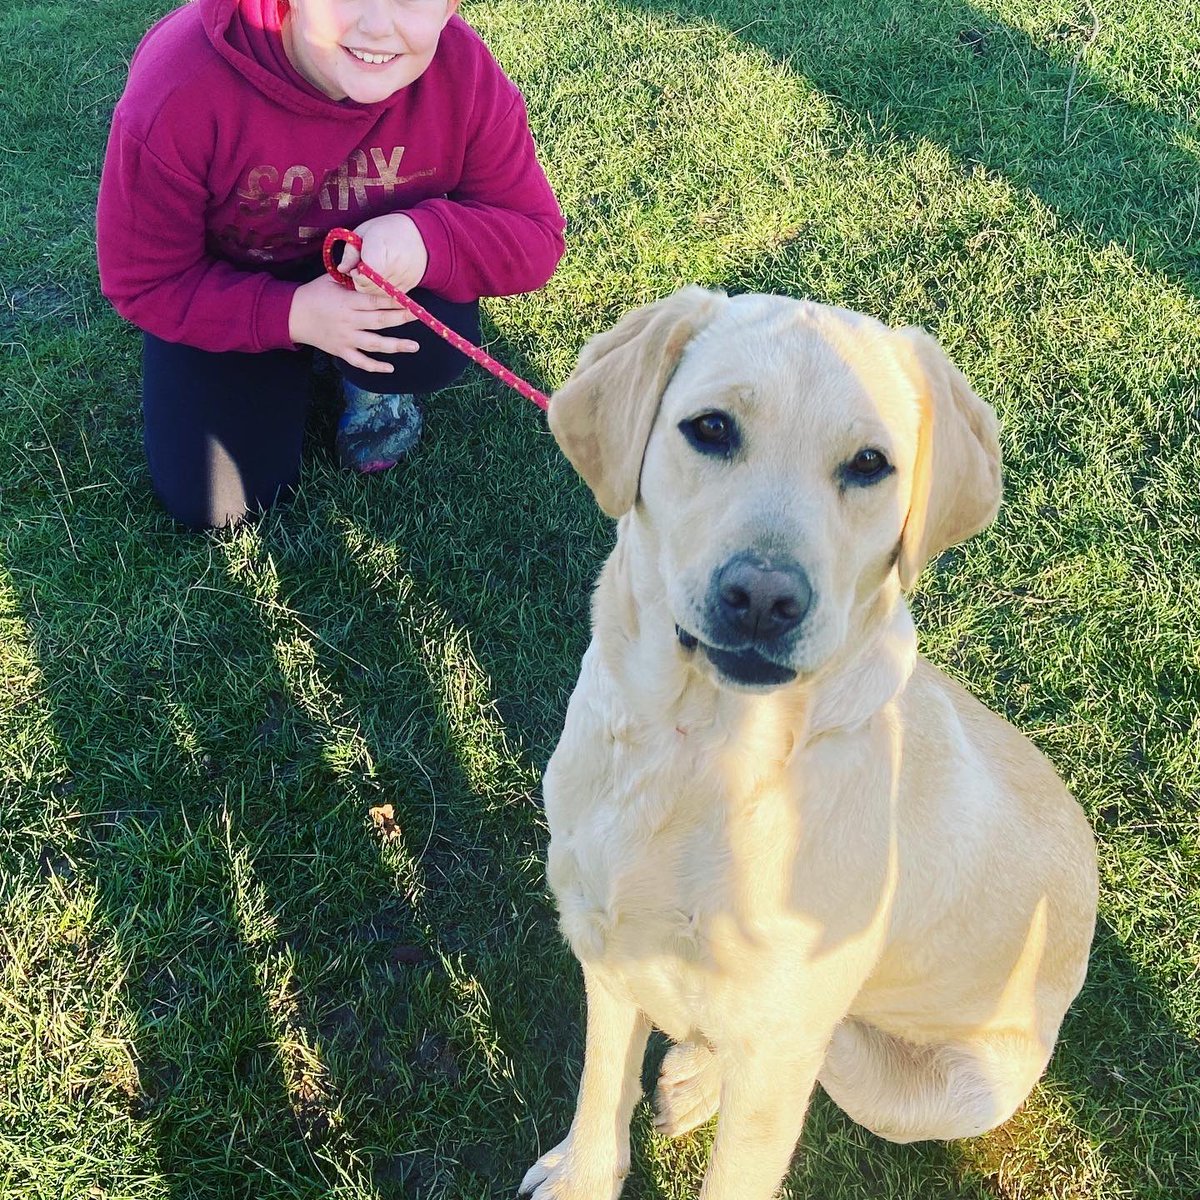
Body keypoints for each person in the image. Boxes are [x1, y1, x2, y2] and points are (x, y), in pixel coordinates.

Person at [97, 0, 565, 529]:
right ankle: (283, 361)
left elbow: (535, 233)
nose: (377, 26)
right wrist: (293, 315)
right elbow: (144, 280)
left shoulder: (463, 72)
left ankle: (373, 387)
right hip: (235, 283)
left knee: (428, 345)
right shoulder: (181, 84)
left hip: (374, 277)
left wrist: (424, 240)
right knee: (217, 501)